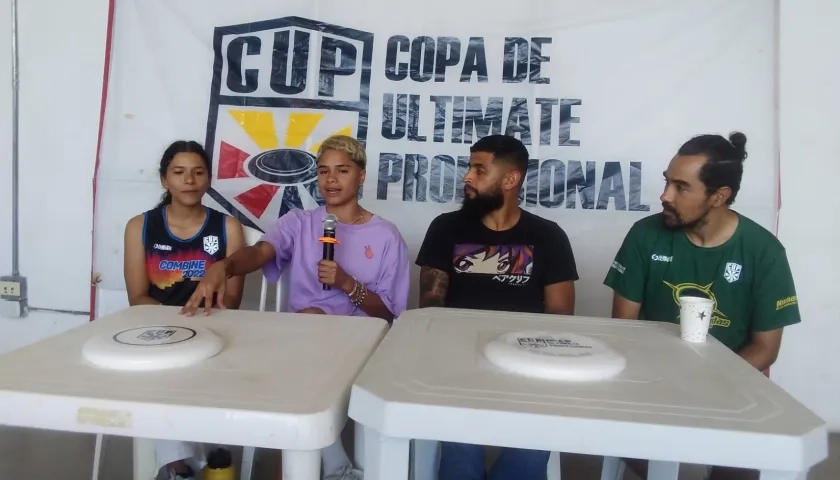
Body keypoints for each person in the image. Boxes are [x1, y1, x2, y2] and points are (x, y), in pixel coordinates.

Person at [181, 134, 411, 480]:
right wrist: (223, 267)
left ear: (361, 176)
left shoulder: (387, 236)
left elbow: (389, 314)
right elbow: (260, 253)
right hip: (302, 343)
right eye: (323, 172)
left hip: (361, 349)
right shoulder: (299, 223)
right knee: (304, 326)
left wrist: (348, 284)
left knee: (301, 338)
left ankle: (329, 466)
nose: (331, 180)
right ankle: (337, 468)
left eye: (342, 171)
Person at [603, 132, 801, 480]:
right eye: (667, 182)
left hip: (733, 387)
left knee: (738, 471)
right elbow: (624, 330)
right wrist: (665, 385)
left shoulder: (764, 251)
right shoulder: (644, 235)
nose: (664, 195)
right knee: (653, 462)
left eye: (681, 187)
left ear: (719, 196)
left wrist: (705, 387)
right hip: (654, 383)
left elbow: (765, 350)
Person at [415, 134, 579, 480]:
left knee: (533, 448)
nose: (467, 177)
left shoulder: (548, 236)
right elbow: (430, 309)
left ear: (510, 180)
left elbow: (560, 317)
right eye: (469, 167)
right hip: (457, 365)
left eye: (479, 169)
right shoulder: (446, 228)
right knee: (460, 447)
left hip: (527, 366)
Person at [123, 140, 246, 480]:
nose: (189, 180)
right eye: (179, 173)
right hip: (159, 333)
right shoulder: (141, 227)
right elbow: (137, 297)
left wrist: (195, 328)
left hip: (215, 330)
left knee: (195, 373)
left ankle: (180, 468)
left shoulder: (227, 228)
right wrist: (179, 329)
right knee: (166, 371)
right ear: (165, 180)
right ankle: (190, 466)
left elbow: (231, 302)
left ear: (208, 179)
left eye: (198, 172)